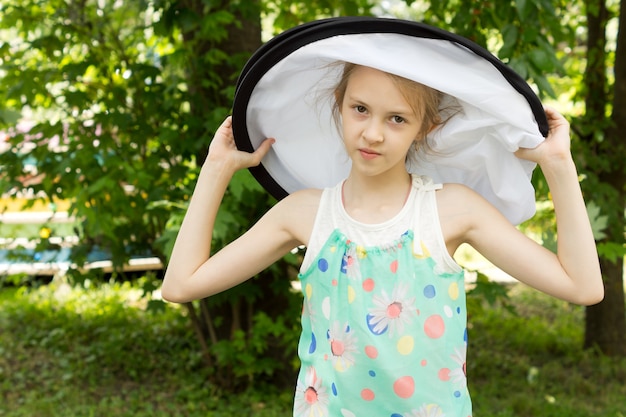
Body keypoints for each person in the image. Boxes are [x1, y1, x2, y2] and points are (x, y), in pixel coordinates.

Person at [161, 63, 603, 417]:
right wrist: (216, 168)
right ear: (339, 105)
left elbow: (582, 287)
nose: (373, 133)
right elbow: (180, 285)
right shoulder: (305, 213)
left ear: (425, 127)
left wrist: (558, 165)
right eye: (360, 109)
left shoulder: (453, 210)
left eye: (396, 118)